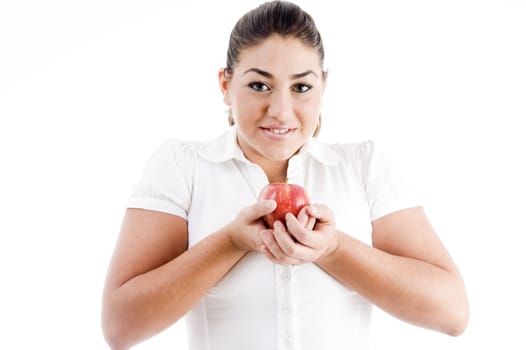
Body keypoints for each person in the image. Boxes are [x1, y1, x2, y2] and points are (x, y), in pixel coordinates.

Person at [101, 1, 469, 349]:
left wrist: (334, 248)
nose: (280, 110)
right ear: (225, 85)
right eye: (259, 85)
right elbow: (120, 327)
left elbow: (452, 313)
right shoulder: (182, 166)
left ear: (324, 87)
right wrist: (231, 242)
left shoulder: (363, 166)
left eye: (301, 87)